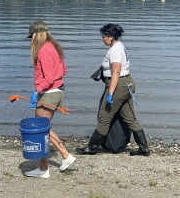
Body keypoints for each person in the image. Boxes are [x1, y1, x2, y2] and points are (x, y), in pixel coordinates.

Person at [76, 23, 150, 156]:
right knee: (130, 118)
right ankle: (143, 148)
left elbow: (115, 72)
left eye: (103, 36)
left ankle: (92, 147)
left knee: (105, 117)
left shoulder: (115, 50)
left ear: (110, 37)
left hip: (118, 85)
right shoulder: (119, 46)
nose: (101, 39)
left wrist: (110, 93)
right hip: (127, 84)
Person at [24, 20, 76, 178]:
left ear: (37, 35)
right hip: (56, 90)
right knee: (42, 129)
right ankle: (43, 168)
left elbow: (49, 77)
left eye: (32, 36)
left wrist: (38, 90)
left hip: (49, 93)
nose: (31, 39)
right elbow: (63, 69)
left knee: (42, 130)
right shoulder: (54, 47)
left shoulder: (43, 50)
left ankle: (66, 156)